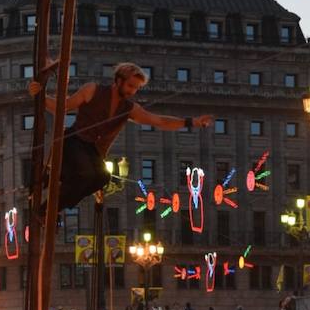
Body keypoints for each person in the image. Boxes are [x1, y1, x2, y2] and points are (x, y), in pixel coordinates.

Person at [29, 63, 212, 210]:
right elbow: (63, 107)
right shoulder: (92, 90)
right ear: (118, 80)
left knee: (101, 178)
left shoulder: (129, 108)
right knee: (85, 174)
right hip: (74, 140)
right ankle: (48, 201)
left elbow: (159, 121)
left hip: (93, 150)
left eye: (136, 88)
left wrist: (191, 122)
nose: (132, 91)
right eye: (131, 85)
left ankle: (54, 203)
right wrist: (40, 96)